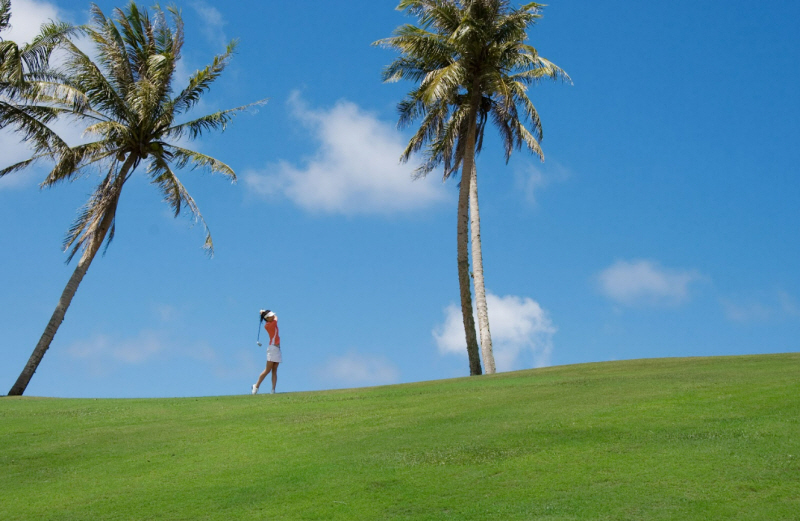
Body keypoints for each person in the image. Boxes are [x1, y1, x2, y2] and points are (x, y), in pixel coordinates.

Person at [252, 309, 281, 395]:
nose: (272, 316)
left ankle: (273, 390)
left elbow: (274, 316)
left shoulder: (269, 322)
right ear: (267, 319)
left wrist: (263, 312)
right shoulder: (270, 324)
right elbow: (276, 317)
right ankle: (256, 386)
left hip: (277, 348)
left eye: (271, 315)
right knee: (268, 370)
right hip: (272, 348)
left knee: (274, 370)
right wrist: (264, 311)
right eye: (269, 316)